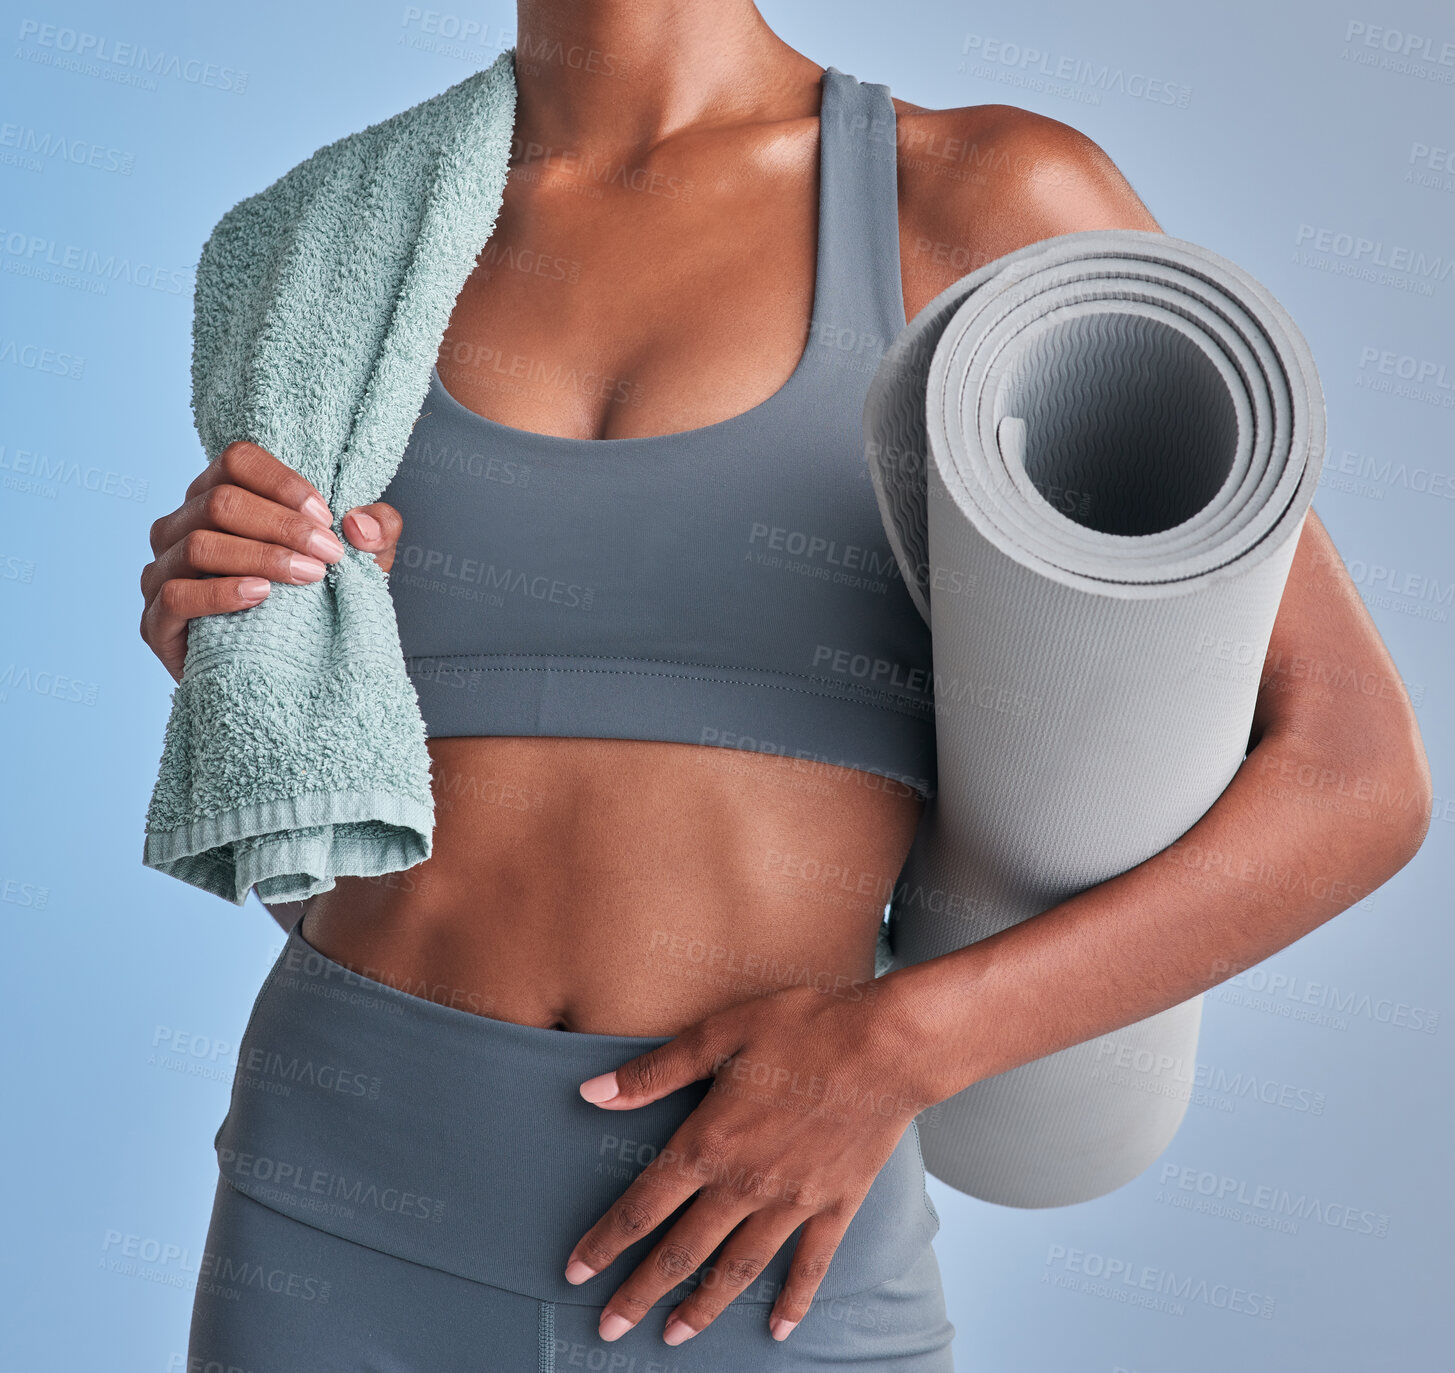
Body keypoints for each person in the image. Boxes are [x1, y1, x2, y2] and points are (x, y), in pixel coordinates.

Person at [138, 4, 1431, 1369]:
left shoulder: (971, 196)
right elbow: (330, 824)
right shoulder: (344, 247)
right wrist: (238, 645)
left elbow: (1358, 777)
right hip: (336, 1201)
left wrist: (903, 1050)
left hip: (764, 1242)